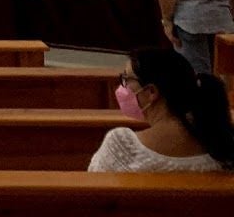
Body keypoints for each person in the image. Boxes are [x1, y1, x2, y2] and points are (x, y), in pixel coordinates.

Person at [88, 47, 234, 172]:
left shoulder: (122, 148)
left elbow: (93, 197)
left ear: (151, 92)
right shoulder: (223, 145)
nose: (122, 87)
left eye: (126, 79)